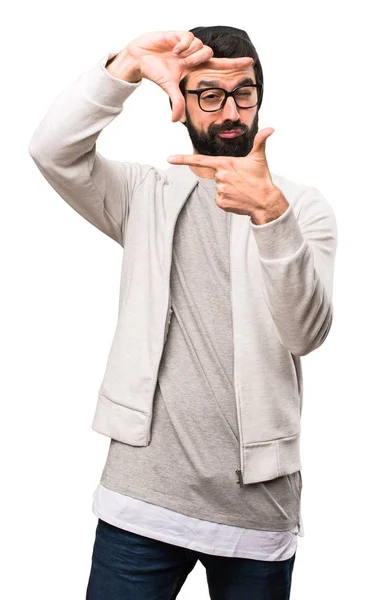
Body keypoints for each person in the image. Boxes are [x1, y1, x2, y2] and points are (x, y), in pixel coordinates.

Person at [29, 25, 338, 600]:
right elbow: (52, 150)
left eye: (243, 93)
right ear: (181, 101)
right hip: (141, 503)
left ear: (259, 97)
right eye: (209, 94)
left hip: (257, 506)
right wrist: (123, 65)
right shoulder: (141, 195)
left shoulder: (300, 207)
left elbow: (306, 332)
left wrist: (272, 219)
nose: (229, 110)